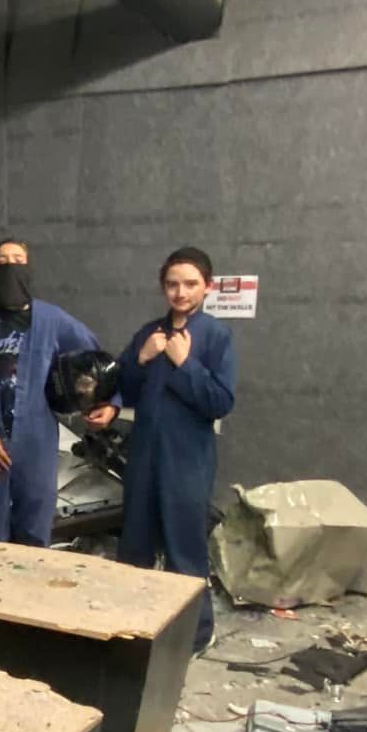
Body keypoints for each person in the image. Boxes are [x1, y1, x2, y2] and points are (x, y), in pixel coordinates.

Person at [0, 238, 117, 550]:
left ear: (30, 269)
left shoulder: (53, 321)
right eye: (2, 261)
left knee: (36, 535)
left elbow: (100, 363)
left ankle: (27, 598)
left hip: (36, 445)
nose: (10, 266)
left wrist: (109, 404)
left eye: (17, 259)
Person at [116, 245, 237, 649]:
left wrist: (186, 364)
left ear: (207, 287)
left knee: (184, 550)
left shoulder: (216, 336)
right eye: (172, 284)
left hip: (187, 461)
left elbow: (220, 401)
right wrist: (143, 358)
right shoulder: (149, 333)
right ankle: (133, 631)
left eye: (190, 284)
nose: (180, 292)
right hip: (144, 457)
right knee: (135, 547)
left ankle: (195, 636)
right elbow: (125, 390)